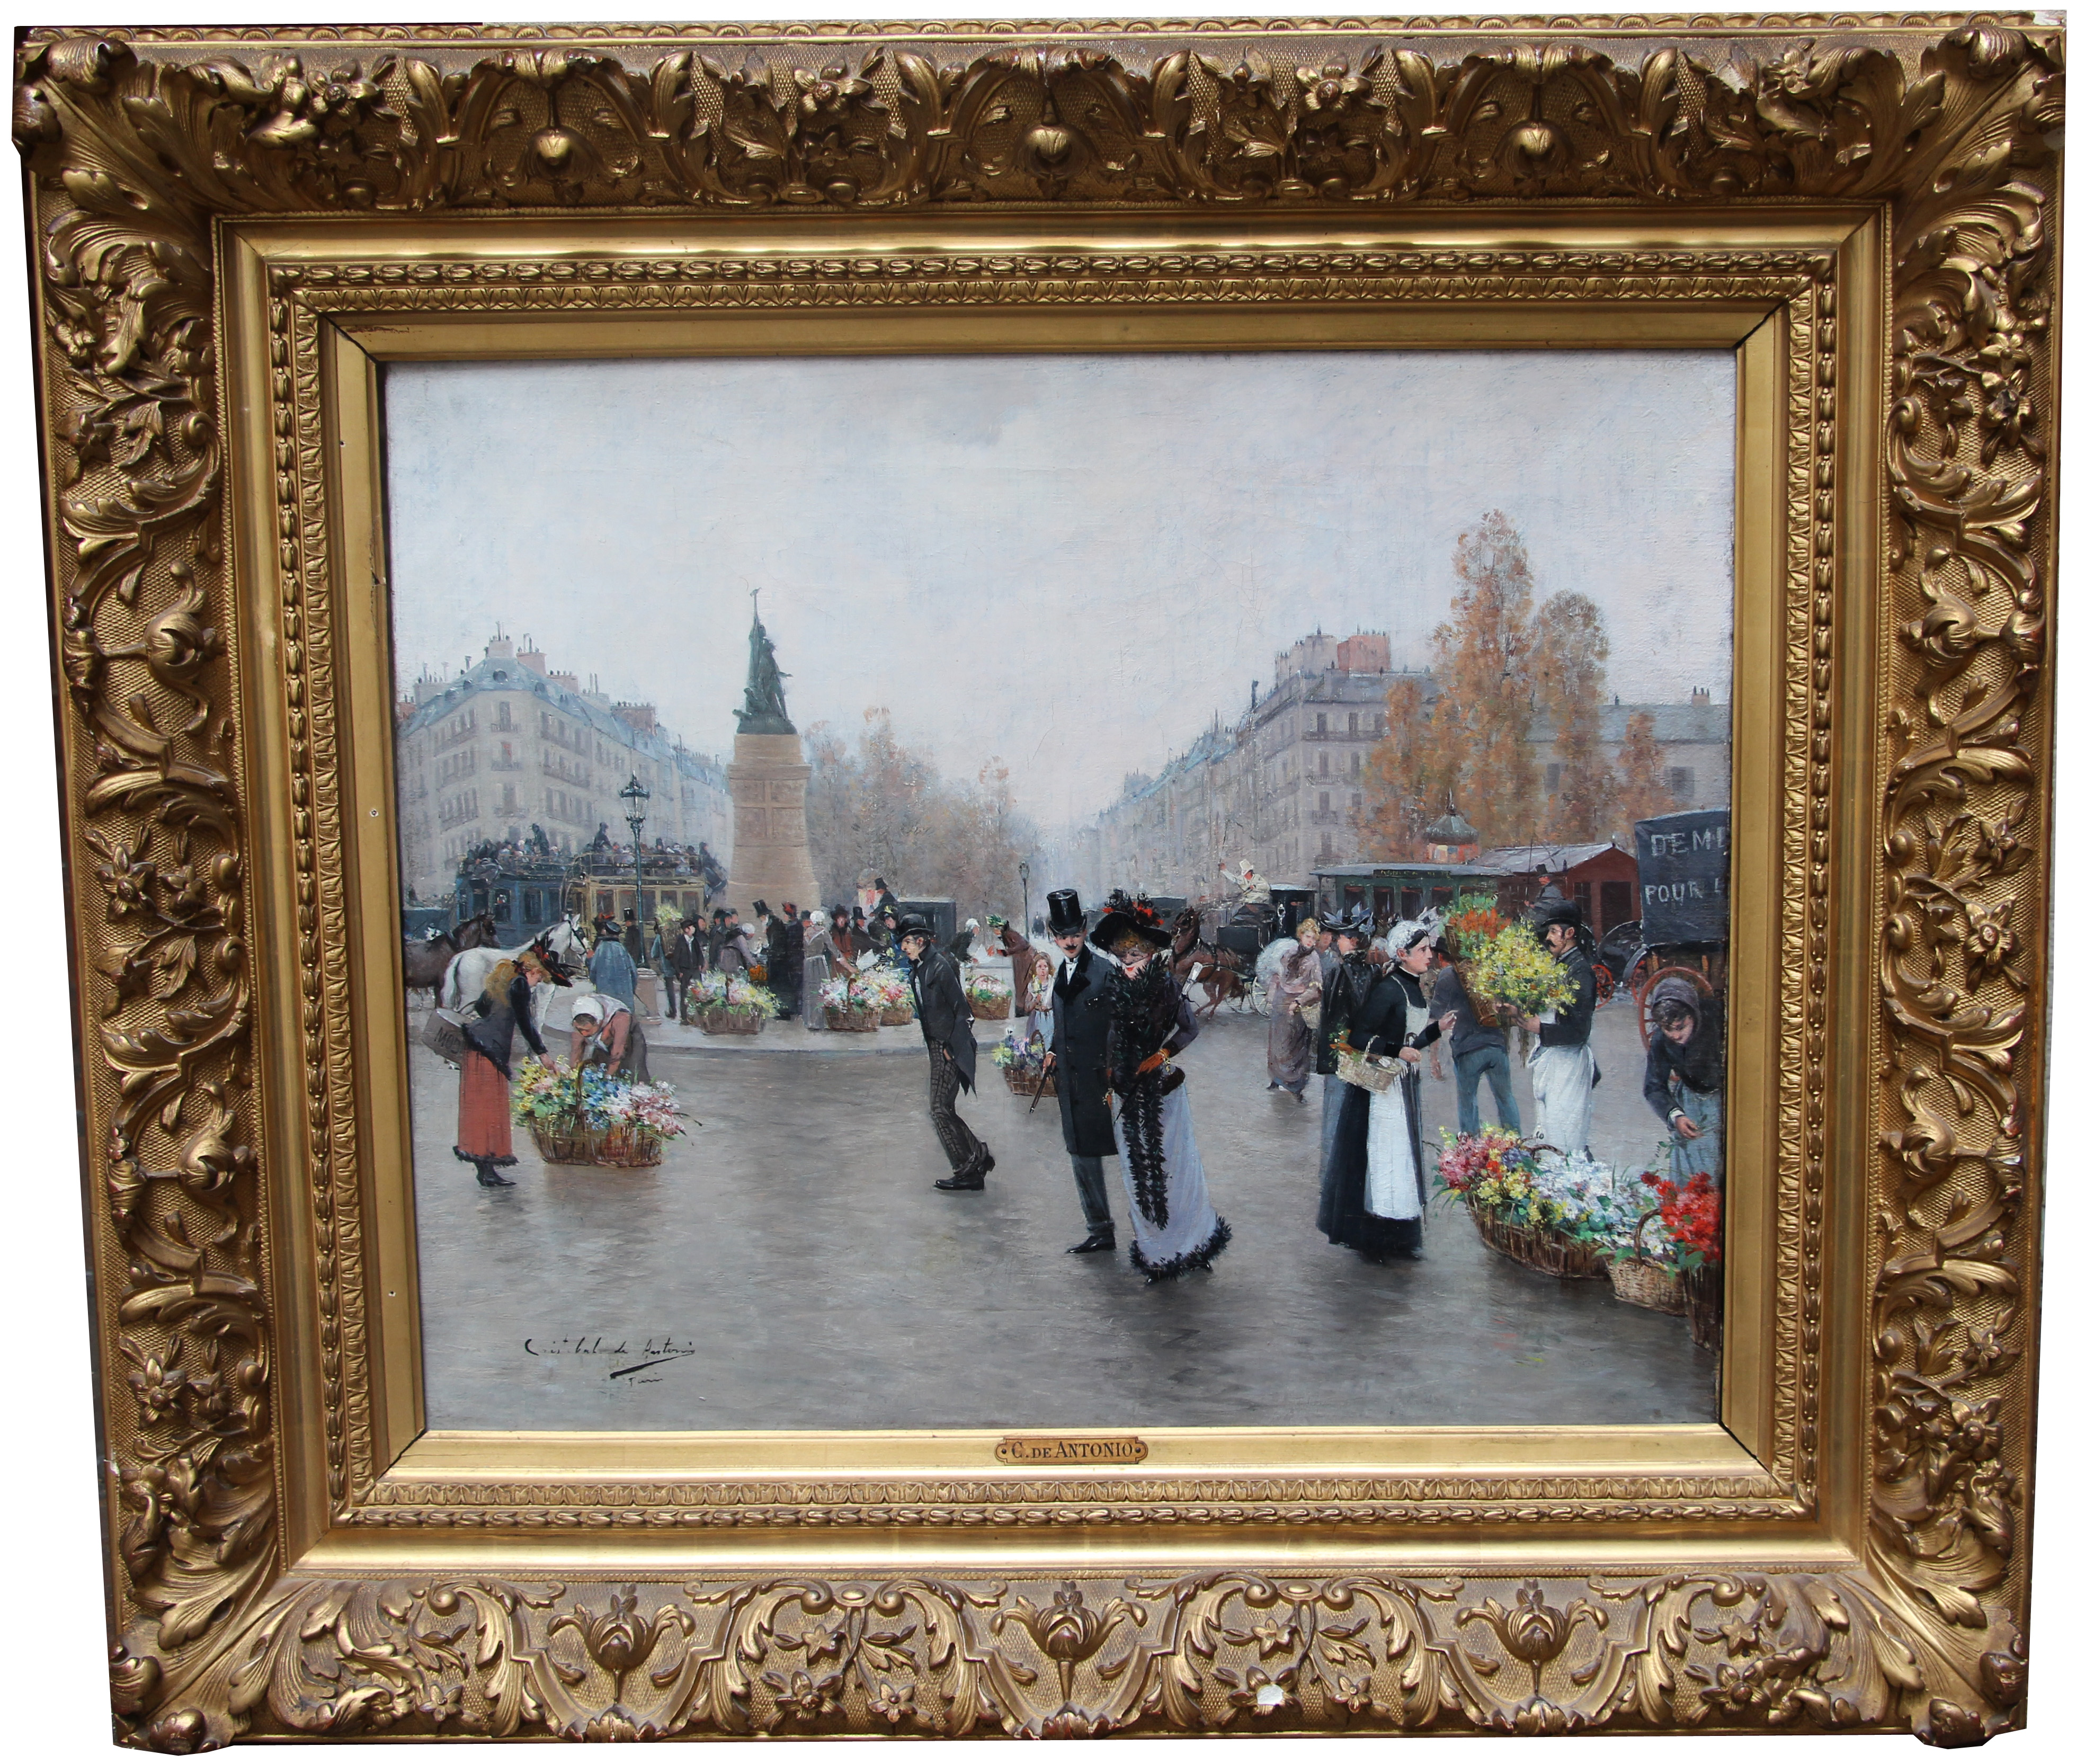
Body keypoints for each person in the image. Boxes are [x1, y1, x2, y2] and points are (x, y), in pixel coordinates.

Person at [1092, 893, 1230, 1281]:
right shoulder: (1115, 987)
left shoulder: (1168, 987)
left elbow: (1190, 1028)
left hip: (1163, 1095)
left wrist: (1163, 1054)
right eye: (1123, 959)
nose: (1129, 966)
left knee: (1175, 1172)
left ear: (1150, 954)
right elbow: (1110, 1036)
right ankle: (1156, 1253)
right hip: (1125, 1092)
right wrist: (1108, 1076)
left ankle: (1193, 1244)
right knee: (1138, 1173)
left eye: (1135, 958)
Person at [1318, 912, 1455, 1262]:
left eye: (1430, 949)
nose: (1430, 955)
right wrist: (1397, 1051)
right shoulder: (1388, 989)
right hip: (1382, 1090)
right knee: (1385, 1159)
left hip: (1404, 1086)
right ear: (1402, 954)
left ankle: (1401, 1237)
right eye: (1423, 950)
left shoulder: (1414, 988)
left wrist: (1436, 1030)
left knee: (1404, 1159)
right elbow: (1360, 1035)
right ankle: (1375, 1239)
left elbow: (1412, 1039)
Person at [1039, 889, 1119, 1255]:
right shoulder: (1061, 973)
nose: (1069, 942)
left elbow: (1119, 1027)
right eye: (1061, 935)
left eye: (1074, 933)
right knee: (1081, 1156)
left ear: (1085, 931)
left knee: (1127, 1155)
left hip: (1101, 1081)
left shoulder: (1105, 972)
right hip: (1072, 1081)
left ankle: (1152, 1233)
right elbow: (1064, 1019)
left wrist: (1113, 1071)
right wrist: (1054, 1049)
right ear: (1053, 936)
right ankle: (1100, 1229)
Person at [899, 914, 993, 1191]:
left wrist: (952, 1048)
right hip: (937, 1045)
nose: (904, 948)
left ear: (922, 941)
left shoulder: (939, 967)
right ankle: (977, 1158)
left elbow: (964, 1012)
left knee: (939, 1108)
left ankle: (968, 1168)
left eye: (907, 942)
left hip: (950, 1045)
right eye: (903, 942)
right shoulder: (921, 967)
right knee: (943, 1108)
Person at [454, 951, 551, 1188]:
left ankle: (485, 1168)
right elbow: (525, 1022)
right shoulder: (520, 985)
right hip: (491, 1051)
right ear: (532, 972)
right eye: (539, 978)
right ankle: (487, 1170)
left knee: (479, 1109)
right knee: (490, 1110)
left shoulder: (502, 980)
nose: (538, 983)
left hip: (476, 1045)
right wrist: (542, 1053)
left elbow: (481, 1007)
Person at [1430, 932, 1522, 1137]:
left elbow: (1435, 1019)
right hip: (1496, 1046)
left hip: (1467, 1049)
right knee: (1506, 1099)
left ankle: (1470, 1154)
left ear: (1443, 957)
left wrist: (1433, 1057)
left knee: (1468, 1103)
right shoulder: (1485, 970)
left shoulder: (1447, 976)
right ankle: (1516, 1149)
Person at [1528, 899, 1598, 1155]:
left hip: (1569, 1065)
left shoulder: (1581, 973)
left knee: (1565, 1141)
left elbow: (1579, 1031)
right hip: (1553, 1062)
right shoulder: (1560, 966)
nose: (1548, 938)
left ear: (1570, 934)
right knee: (1548, 1136)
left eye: (1553, 932)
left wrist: (1539, 1028)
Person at [1642, 973, 1724, 1186]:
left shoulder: (1718, 1023)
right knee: (1691, 1163)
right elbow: (1654, 1086)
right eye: (1668, 1029)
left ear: (1693, 1016)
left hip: (1725, 1096)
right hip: (1691, 1100)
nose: (1676, 1035)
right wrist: (1676, 1115)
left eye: (1680, 1027)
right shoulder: (1661, 1041)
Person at [1313, 911, 1372, 1200]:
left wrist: (1330, 1058)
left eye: (1340, 937)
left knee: (1334, 1117)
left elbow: (1333, 1021)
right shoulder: (1374, 973)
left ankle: (1330, 1180)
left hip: (1342, 1058)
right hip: (1367, 1058)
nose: (1336, 942)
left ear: (1351, 940)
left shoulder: (1336, 973)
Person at [1264, 927, 1322, 1101]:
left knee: (1294, 1044)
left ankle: (1295, 1085)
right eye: (1307, 936)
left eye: (1313, 938)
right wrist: (1272, 994)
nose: (1310, 941)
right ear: (1301, 936)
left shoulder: (1314, 959)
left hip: (1297, 1004)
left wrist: (1300, 1001)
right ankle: (1276, 1078)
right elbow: (1277, 975)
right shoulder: (1289, 952)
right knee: (1276, 1041)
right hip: (1281, 1001)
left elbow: (1317, 986)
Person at [567, 990, 649, 1083]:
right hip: (604, 1037)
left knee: (634, 1070)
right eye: (580, 1030)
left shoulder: (621, 1019)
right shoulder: (580, 1019)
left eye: (587, 1030)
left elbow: (617, 1054)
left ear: (599, 1022)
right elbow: (576, 1051)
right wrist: (573, 1075)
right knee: (599, 1068)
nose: (584, 1034)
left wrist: (607, 1079)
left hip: (629, 1037)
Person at [800, 908, 854, 1029]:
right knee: (822, 990)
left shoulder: (806, 932)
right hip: (818, 963)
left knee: (810, 992)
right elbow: (834, 950)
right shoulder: (823, 931)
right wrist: (848, 967)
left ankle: (810, 1021)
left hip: (808, 963)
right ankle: (822, 1021)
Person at [586, 920, 640, 1016]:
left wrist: (589, 961)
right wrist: (631, 990)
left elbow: (593, 973)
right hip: (624, 998)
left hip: (606, 997)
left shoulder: (600, 949)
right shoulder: (622, 949)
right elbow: (634, 973)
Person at [670, 916, 705, 1021]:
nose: (694, 929)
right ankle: (685, 1017)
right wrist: (679, 971)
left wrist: (700, 964)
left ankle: (697, 1016)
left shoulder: (694, 941)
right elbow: (676, 959)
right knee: (685, 993)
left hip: (695, 970)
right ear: (686, 929)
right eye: (692, 927)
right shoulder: (681, 942)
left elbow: (700, 954)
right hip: (685, 971)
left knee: (698, 991)